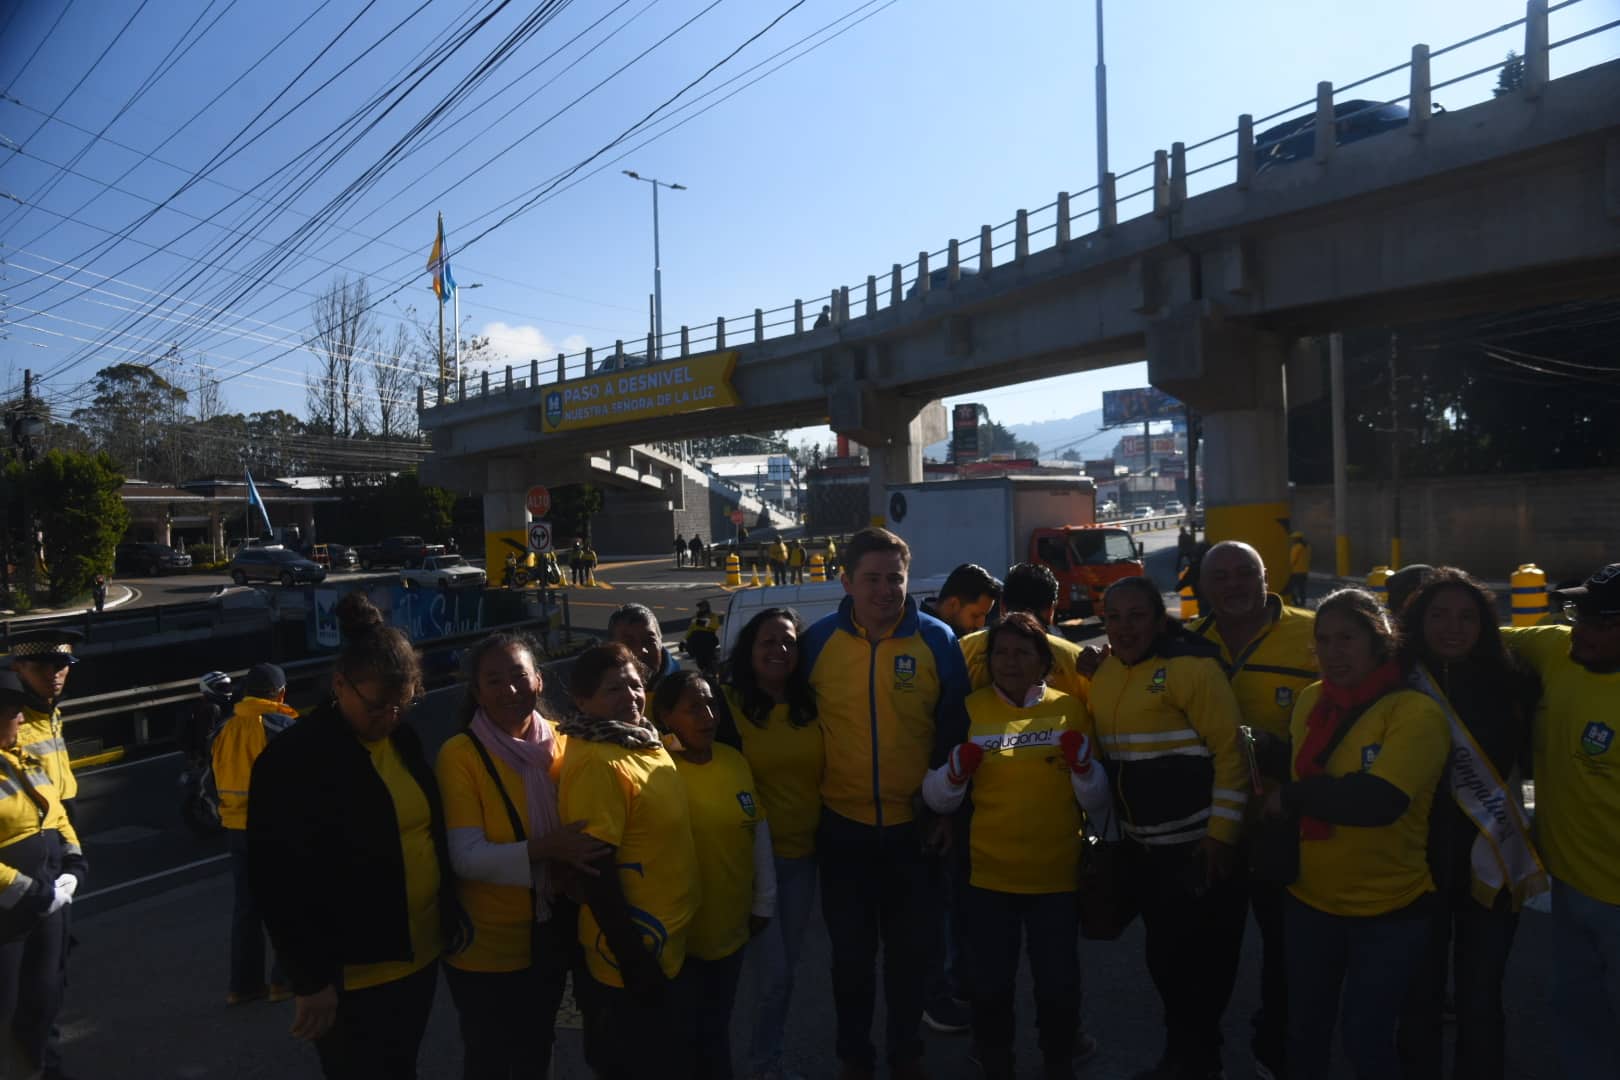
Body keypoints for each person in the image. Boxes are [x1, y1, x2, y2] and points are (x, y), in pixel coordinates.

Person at [248, 594, 464, 1079]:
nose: (388, 718)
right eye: (377, 707)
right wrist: (309, 979)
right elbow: (276, 880)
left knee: (401, 1067)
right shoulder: (294, 761)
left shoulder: (401, 741)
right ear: (340, 685)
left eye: (402, 706)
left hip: (418, 956)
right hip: (351, 975)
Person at [801, 527, 971, 1080]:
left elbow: (955, 730)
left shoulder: (938, 641)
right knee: (850, 963)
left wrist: (947, 812)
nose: (883, 591)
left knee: (910, 962)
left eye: (894, 579)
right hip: (842, 831)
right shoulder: (817, 642)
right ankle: (855, 1058)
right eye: (870, 579)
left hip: (914, 831)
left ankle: (906, 1056)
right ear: (845, 581)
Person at [1261, 587, 1448, 1080]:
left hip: (1389, 910)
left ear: (1379, 640)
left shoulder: (1414, 713)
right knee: (1305, 1033)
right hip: (1309, 902)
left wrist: (1294, 799)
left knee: (1367, 1040)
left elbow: (1379, 801)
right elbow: (1310, 773)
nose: (1332, 651)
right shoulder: (1309, 701)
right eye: (1322, 639)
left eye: (1347, 638)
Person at [920, 613, 1105, 1080]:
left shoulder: (1071, 709)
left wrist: (1085, 769)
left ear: (1044, 661)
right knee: (991, 985)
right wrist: (954, 774)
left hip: (1056, 877)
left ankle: (1059, 1057)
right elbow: (936, 796)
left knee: (1058, 984)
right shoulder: (968, 709)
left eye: (1023, 652)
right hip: (986, 878)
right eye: (1000, 652)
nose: (1010, 661)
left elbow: (1099, 800)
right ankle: (994, 1056)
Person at [1088, 576, 1249, 1080]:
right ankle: (1187, 1056)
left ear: (1160, 620)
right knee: (1166, 965)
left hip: (1198, 849)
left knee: (1201, 970)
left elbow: (1232, 753)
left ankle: (1197, 1061)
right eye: (1114, 617)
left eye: (1137, 616)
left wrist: (1220, 835)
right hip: (1143, 851)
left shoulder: (1192, 668)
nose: (1125, 627)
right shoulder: (1110, 671)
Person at [435, 631, 610, 1080]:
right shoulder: (461, 755)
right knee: (489, 1056)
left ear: (538, 680)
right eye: (493, 680)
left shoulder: (560, 743)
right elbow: (466, 856)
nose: (508, 690)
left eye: (518, 676)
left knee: (536, 1047)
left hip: (548, 932)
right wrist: (547, 850)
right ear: (476, 692)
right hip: (485, 945)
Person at [1395, 569, 1544, 1080]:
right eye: (1438, 615)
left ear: (1485, 623)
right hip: (1416, 869)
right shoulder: (1394, 679)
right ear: (1417, 620)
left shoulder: (1515, 681)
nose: (1452, 627)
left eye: (1466, 615)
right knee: (1419, 998)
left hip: (1492, 865)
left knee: (1481, 1000)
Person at [1186, 540, 1317, 1080]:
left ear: (1269, 578)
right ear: (1203, 586)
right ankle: (1199, 1052)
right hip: (1214, 824)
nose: (1234, 585)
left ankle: (1276, 1047)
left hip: (1286, 826)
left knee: (1287, 951)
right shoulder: (1189, 643)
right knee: (1208, 952)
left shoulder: (1314, 634)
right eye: (1221, 576)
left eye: (1246, 573)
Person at [557, 644, 701, 1079]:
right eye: (613, 688)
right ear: (582, 701)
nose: (631, 696)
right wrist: (634, 961)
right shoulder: (598, 761)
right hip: (631, 954)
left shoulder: (638, 740)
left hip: (665, 941)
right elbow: (595, 869)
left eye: (636, 685)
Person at [1500, 562, 1620, 1080]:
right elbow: (1468, 635)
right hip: (1570, 885)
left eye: (1600, 620)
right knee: (1576, 1012)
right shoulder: (1555, 647)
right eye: (1579, 612)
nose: (1581, 627)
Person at [715, 607, 823, 1080]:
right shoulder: (725, 703)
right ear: (748, 650)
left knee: (781, 976)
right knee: (769, 975)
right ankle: (757, 1065)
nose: (780, 651)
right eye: (767, 642)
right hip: (750, 862)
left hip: (803, 858)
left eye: (788, 643)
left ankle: (764, 1061)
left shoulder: (811, 704)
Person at [654, 672, 777, 1080]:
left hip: (730, 933)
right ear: (667, 716)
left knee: (715, 1031)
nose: (707, 716)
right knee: (682, 1041)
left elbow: (756, 830)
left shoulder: (733, 760)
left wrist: (764, 901)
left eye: (712, 705)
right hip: (680, 940)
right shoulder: (658, 771)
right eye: (693, 709)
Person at [0, 670, 84, 1079]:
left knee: (44, 998)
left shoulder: (26, 760)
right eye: (11, 711)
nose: (20, 718)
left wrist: (73, 861)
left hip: (46, 905)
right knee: (7, 1009)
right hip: (10, 914)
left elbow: (56, 815)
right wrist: (28, 891)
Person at [211, 662, 298, 1005]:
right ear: (280, 693)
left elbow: (211, 778)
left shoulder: (223, 730)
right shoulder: (282, 726)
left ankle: (244, 986)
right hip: (274, 828)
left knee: (246, 909)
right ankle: (284, 980)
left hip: (236, 830)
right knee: (286, 904)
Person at [959, 563, 1091, 703]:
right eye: (1001, 652)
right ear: (1051, 610)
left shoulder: (963, 649)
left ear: (1002, 605)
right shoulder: (1077, 660)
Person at [8, 629, 84, 825]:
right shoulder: (10, 719)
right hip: (36, 818)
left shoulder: (50, 710)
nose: (53, 675)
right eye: (40, 667)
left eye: (60, 665)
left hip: (66, 803)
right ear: (18, 669)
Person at [608, 603, 682, 692]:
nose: (640, 651)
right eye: (628, 643)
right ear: (611, 647)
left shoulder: (684, 692)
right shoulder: (593, 694)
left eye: (649, 641)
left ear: (660, 641)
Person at [921, 563, 1002, 639]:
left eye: (985, 616)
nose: (980, 625)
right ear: (953, 604)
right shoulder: (921, 636)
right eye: (975, 616)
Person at [683, 599, 723, 676]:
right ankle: (704, 671)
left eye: (702, 607)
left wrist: (699, 622)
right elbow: (691, 629)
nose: (700, 608)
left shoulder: (712, 616)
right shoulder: (696, 616)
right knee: (700, 661)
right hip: (696, 641)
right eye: (700, 607)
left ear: (707, 607)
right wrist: (684, 640)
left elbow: (714, 626)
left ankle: (712, 674)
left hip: (708, 640)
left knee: (710, 659)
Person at [1286, 533, 1311, 608]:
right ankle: (1302, 602)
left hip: (1296, 571)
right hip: (1305, 570)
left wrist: (1288, 568)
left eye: (1293, 539)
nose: (1292, 540)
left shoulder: (1296, 547)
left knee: (1290, 587)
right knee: (1302, 588)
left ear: (1297, 539)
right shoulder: (1307, 547)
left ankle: (1296, 602)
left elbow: (1293, 559)